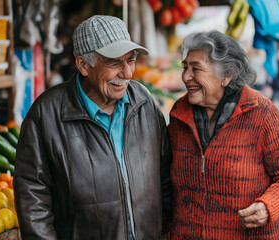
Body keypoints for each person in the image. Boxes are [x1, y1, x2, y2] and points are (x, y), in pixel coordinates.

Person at [13, 15, 172, 240]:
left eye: (131, 60)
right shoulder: (46, 113)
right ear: (83, 65)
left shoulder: (144, 102)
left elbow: (165, 176)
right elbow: (32, 197)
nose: (127, 73)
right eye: (114, 62)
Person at [167, 30, 279, 239]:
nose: (185, 76)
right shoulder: (179, 114)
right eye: (185, 67)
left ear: (227, 75)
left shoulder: (261, 113)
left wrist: (267, 206)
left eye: (196, 69)